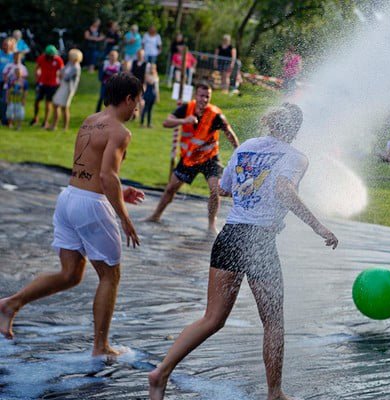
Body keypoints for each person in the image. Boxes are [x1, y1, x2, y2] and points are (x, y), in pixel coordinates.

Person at [148, 102, 339, 400]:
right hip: (258, 241)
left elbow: (223, 189)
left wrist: (246, 186)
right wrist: (319, 227)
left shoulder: (246, 147)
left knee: (212, 319)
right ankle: (274, 393)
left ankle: (161, 372)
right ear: (296, 129)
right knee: (273, 322)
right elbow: (284, 190)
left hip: (230, 235)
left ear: (271, 122)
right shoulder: (295, 157)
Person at [0, 73, 145, 357]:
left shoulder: (90, 120)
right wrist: (125, 218)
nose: (138, 108)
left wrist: (120, 191)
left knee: (70, 274)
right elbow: (107, 176)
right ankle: (101, 347)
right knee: (110, 276)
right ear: (128, 99)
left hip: (68, 198)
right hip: (90, 205)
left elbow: (92, 169)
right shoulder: (120, 132)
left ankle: (9, 304)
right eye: (138, 101)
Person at [146, 82, 240, 233]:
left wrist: (239, 152)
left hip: (209, 158)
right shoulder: (186, 109)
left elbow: (229, 133)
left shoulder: (215, 115)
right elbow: (166, 122)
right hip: (189, 159)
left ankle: (211, 225)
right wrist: (184, 121)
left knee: (215, 190)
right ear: (196, 96)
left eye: (207, 96)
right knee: (170, 189)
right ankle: (155, 215)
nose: (204, 99)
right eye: (201, 96)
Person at [31, 45, 64, 129]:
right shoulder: (41, 58)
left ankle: (45, 121)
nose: (53, 56)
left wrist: (60, 81)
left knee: (48, 103)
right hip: (42, 83)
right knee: (37, 101)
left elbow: (61, 71)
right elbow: (37, 68)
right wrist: (37, 78)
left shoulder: (58, 60)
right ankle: (35, 118)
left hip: (52, 84)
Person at [50, 49, 83, 131]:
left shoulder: (76, 67)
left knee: (64, 107)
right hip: (63, 86)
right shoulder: (70, 63)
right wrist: (61, 73)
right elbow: (63, 71)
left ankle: (65, 127)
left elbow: (66, 77)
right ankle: (54, 125)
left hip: (68, 89)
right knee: (55, 104)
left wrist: (61, 74)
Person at [0, 38, 15, 125]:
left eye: (7, 45)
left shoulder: (13, 56)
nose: (5, 46)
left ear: (11, 46)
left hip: (7, 82)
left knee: (4, 100)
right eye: (4, 44)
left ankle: (4, 119)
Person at [140, 64, 159, 128]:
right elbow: (146, 85)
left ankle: (149, 123)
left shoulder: (156, 76)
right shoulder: (148, 76)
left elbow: (156, 88)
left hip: (153, 94)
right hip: (148, 94)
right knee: (145, 109)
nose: (152, 70)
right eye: (151, 68)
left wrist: (157, 96)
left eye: (153, 68)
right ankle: (142, 122)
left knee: (150, 110)